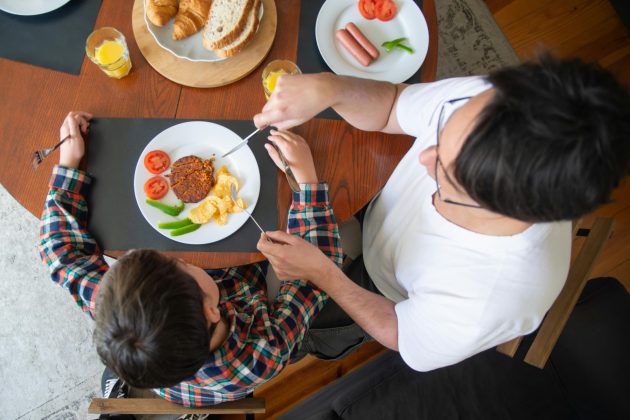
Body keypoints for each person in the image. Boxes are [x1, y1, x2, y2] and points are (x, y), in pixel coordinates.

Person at [254, 54, 630, 371]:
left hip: (380, 294)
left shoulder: (488, 301)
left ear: (499, 210)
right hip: (376, 219)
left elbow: (402, 333)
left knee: (310, 327)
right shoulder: (498, 103)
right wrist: (329, 88)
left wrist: (324, 273)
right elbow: (390, 109)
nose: (421, 157)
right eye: (445, 126)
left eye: (444, 173)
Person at [38, 112, 342, 406]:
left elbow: (60, 251)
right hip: (254, 292)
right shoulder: (262, 353)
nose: (180, 257)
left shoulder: (120, 305)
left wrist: (70, 162)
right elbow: (319, 275)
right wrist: (306, 182)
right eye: (182, 265)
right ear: (212, 310)